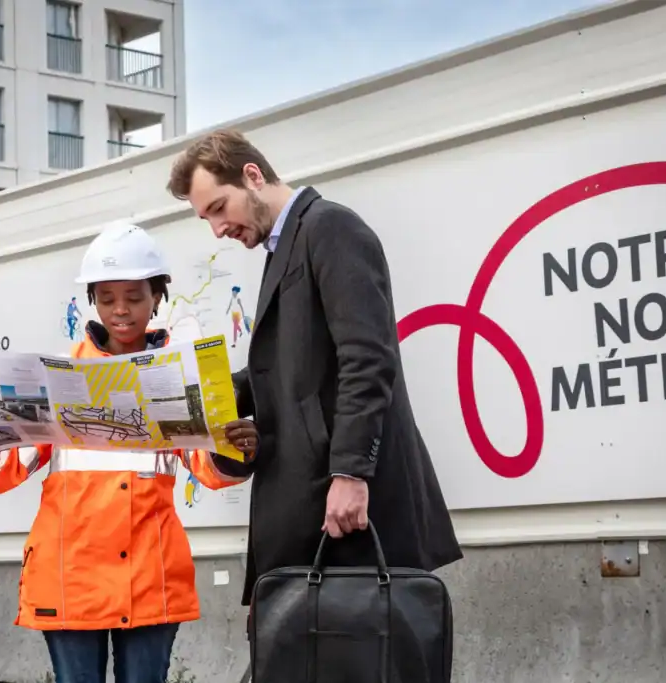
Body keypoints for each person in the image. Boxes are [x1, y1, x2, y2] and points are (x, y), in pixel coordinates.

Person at [0, 222, 261, 683]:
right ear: (92, 300)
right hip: (69, 578)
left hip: (150, 578)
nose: (121, 310)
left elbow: (209, 469)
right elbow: (3, 470)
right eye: (107, 298)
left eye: (134, 296)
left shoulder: (180, 378)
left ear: (157, 297)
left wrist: (238, 451)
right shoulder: (57, 384)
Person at [165, 129, 463, 609]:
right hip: (311, 515)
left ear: (253, 176)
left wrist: (350, 473)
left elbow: (367, 358)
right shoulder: (286, 245)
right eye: (206, 219)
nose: (217, 230)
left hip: (346, 513)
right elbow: (286, 370)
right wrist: (187, 394)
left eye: (219, 209)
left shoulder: (330, 229)